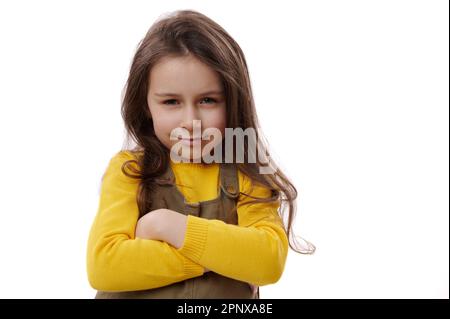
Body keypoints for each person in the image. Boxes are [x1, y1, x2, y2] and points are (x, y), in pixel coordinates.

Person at [87, 9, 315, 299]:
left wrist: (167, 226)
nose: (191, 120)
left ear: (232, 99)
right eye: (171, 102)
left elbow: (268, 261)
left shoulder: (248, 169)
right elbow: (104, 266)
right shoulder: (129, 169)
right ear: (146, 105)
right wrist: (224, 259)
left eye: (208, 100)